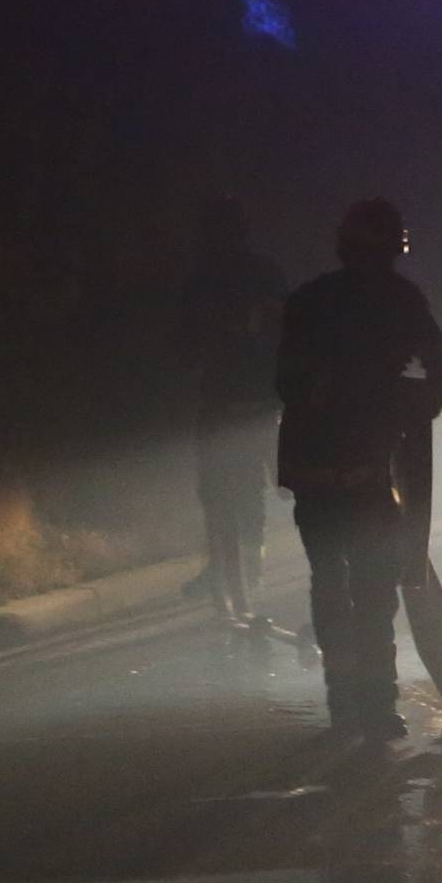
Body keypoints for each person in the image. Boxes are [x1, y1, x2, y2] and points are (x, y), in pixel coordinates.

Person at [275, 198, 442, 742]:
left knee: (332, 587)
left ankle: (345, 705)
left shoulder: (310, 300)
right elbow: (441, 361)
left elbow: (283, 384)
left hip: (316, 470)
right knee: (372, 592)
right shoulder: (399, 299)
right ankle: (376, 706)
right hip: (364, 472)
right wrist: (415, 404)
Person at [179, 199, 287, 626]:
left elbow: (181, 345)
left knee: (225, 493)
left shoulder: (204, 280)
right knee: (244, 491)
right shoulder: (262, 274)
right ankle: (240, 570)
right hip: (251, 401)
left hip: (234, 401)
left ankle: (237, 573)